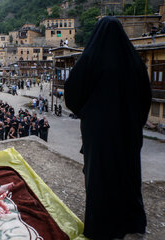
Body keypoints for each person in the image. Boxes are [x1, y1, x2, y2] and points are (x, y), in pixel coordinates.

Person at [64, 17, 151, 239]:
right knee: (128, 174)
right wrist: (134, 123)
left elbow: (72, 94)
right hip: (129, 131)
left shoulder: (91, 58)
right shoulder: (134, 61)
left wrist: (89, 113)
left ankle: (101, 226)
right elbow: (145, 98)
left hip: (99, 132)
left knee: (100, 176)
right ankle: (131, 222)